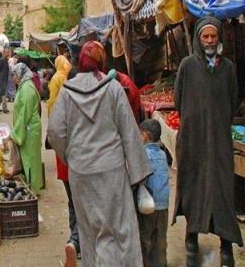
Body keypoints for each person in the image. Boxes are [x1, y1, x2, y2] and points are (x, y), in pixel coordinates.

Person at [48, 41, 151, 267]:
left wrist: (70, 157)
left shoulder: (67, 91)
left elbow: (55, 131)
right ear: (101, 61)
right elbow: (129, 132)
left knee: (89, 228)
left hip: (81, 172)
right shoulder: (112, 88)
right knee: (118, 228)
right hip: (111, 171)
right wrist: (139, 176)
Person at [173, 16, 242, 267]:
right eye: (206, 37)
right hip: (193, 139)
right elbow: (179, 100)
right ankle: (191, 237)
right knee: (192, 185)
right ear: (198, 39)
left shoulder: (228, 68)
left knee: (223, 189)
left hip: (220, 141)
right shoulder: (187, 66)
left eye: (214, 36)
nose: (210, 41)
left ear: (219, 38)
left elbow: (233, 101)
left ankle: (226, 246)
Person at [46, 56, 80, 259]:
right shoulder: (83, 104)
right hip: (79, 164)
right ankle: (77, 241)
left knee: (72, 202)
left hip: (66, 163)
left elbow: (55, 133)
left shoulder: (61, 100)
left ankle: (74, 239)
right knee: (81, 203)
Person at [138, 119, 170, 267]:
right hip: (163, 204)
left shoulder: (144, 155)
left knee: (146, 238)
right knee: (161, 238)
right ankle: (161, 263)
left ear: (144, 136)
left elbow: (140, 179)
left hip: (149, 205)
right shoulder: (163, 155)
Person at [10, 62, 43, 195]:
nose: (13, 78)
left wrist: (15, 133)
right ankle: (32, 186)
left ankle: (33, 189)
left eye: (14, 75)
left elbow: (24, 113)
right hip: (29, 128)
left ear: (20, 74)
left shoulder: (27, 89)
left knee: (30, 159)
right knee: (29, 158)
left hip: (29, 129)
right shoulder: (25, 86)